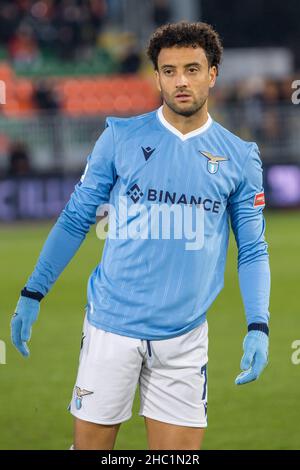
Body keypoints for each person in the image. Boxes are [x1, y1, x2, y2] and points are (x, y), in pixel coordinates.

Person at [11, 22, 270, 450]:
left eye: (192, 68)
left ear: (213, 73)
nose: (180, 81)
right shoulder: (120, 136)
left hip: (185, 338)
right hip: (110, 328)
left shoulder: (240, 157)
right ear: (156, 76)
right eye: (169, 71)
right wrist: (32, 292)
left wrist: (258, 324)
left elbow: (253, 249)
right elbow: (77, 217)